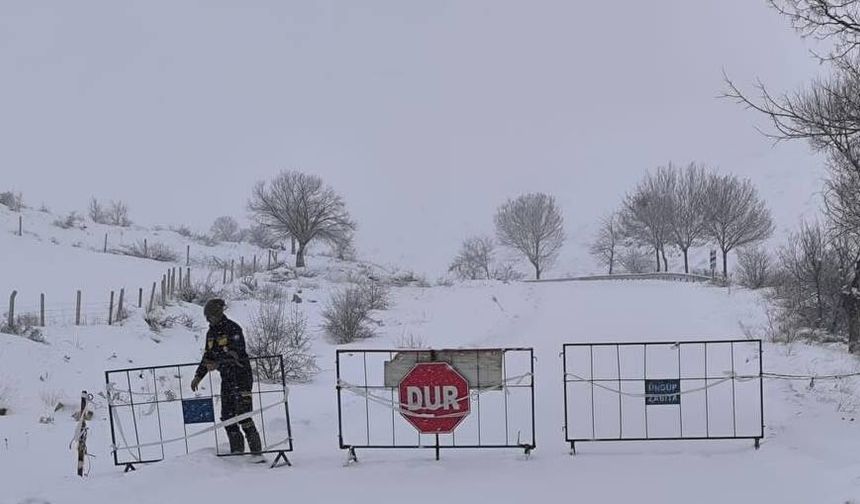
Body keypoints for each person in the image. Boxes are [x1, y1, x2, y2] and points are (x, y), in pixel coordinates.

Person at [190, 299, 262, 455]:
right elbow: (207, 356)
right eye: (206, 317)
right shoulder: (211, 333)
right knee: (227, 417)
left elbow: (236, 355)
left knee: (244, 416)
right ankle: (237, 452)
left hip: (241, 377)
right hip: (227, 379)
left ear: (218, 314)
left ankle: (257, 454)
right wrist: (198, 376)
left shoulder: (233, 329)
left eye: (210, 316)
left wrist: (218, 364)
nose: (208, 319)